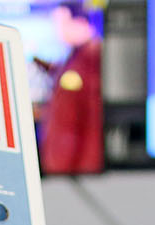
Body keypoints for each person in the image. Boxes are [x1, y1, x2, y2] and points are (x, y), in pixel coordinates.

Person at [36, 2, 103, 174]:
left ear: (79, 23)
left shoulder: (89, 62)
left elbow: (73, 114)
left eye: (61, 22)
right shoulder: (79, 57)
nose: (58, 30)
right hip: (69, 168)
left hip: (73, 170)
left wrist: (62, 167)